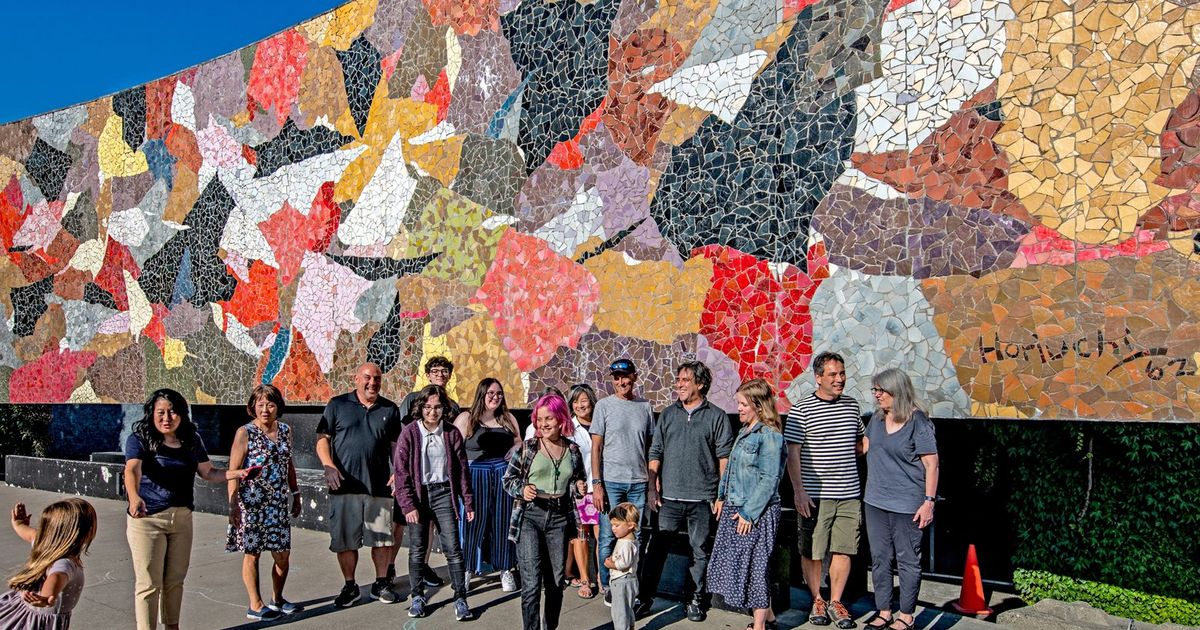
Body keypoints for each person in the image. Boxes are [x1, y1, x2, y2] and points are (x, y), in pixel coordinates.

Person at [124, 388, 251, 630]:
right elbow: (132, 470)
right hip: (147, 520)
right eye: (160, 412)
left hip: (181, 519)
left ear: (182, 414)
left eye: (172, 412)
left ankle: (173, 626)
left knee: (175, 580)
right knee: (149, 583)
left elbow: (208, 472)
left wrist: (236, 473)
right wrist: (134, 497)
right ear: (152, 414)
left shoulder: (191, 440)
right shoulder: (140, 438)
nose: (166, 418)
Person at [639, 361, 733, 621]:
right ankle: (644, 597)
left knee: (699, 551)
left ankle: (694, 599)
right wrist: (651, 487)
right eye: (677, 379)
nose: (678, 384)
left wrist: (721, 495)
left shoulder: (717, 416)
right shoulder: (668, 414)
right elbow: (655, 451)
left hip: (702, 499)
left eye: (684, 380)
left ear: (700, 384)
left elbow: (724, 458)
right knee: (656, 549)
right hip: (669, 498)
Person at [783, 351, 864, 628]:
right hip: (815, 495)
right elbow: (792, 453)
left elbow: (860, 441)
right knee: (813, 550)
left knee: (844, 549)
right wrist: (799, 491)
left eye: (841, 373)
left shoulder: (852, 406)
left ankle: (836, 601)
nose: (840, 379)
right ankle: (817, 598)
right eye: (833, 374)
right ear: (818, 378)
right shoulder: (801, 409)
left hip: (849, 493)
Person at [315, 363, 404, 608]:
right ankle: (350, 585)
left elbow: (396, 445)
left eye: (377, 378)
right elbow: (322, 439)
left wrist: (397, 470)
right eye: (367, 378)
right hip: (344, 485)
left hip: (379, 486)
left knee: (382, 540)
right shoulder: (337, 405)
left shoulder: (390, 409)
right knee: (345, 542)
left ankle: (380, 583)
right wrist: (328, 465)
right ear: (356, 379)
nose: (372, 382)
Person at [862, 369, 939, 630]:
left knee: (907, 560)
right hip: (875, 501)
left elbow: (932, 464)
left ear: (897, 391)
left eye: (881, 390)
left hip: (907, 504)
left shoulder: (918, 421)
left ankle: (906, 615)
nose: (877, 395)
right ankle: (884, 611)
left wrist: (929, 501)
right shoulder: (877, 418)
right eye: (875, 390)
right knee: (880, 558)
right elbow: (863, 447)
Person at [503, 394, 588, 630]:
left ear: (561, 419)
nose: (543, 424)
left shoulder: (572, 450)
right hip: (531, 515)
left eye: (548, 418)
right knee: (531, 584)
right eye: (539, 420)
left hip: (559, 517)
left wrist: (578, 487)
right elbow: (508, 480)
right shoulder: (528, 448)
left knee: (555, 583)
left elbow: (578, 479)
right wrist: (523, 489)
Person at [708, 379, 786, 630]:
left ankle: (760, 626)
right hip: (737, 507)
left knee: (755, 567)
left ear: (758, 405)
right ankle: (769, 617)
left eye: (743, 404)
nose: (738, 408)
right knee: (745, 565)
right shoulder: (746, 430)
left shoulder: (770, 436)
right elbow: (731, 469)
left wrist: (748, 514)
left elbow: (769, 479)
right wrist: (721, 497)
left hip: (755, 512)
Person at [394, 384, 475, 621]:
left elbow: (461, 471)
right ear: (420, 408)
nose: (433, 412)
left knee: (453, 548)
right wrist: (407, 505)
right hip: (419, 496)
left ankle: (460, 597)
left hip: (443, 494)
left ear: (444, 408)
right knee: (418, 550)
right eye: (428, 407)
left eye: (438, 407)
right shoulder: (409, 433)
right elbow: (401, 473)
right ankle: (417, 596)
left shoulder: (451, 433)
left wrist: (468, 502)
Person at [226, 384, 302, 621]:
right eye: (260, 405)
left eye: (270, 404)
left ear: (278, 406)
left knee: (282, 554)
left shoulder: (286, 430)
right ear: (253, 407)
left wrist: (296, 492)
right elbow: (234, 470)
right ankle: (255, 604)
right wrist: (233, 505)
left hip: (277, 504)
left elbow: (288, 463)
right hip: (252, 503)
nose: (265, 410)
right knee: (253, 553)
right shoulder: (245, 432)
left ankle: (277, 598)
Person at [390, 356, 460, 589]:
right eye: (436, 370)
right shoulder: (413, 399)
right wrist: (397, 473)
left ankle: (426, 567)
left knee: (429, 528)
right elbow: (401, 439)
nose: (440, 374)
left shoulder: (453, 406)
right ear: (428, 374)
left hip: (438, 481)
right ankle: (388, 568)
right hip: (412, 478)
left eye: (445, 371)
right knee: (402, 522)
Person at [591, 358, 654, 604]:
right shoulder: (604, 407)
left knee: (634, 538)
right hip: (612, 482)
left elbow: (651, 448)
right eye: (616, 378)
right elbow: (596, 448)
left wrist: (652, 481)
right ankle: (608, 585)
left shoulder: (645, 407)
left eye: (625, 376)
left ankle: (630, 584)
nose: (620, 382)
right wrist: (597, 484)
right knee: (608, 535)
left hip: (638, 481)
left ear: (634, 377)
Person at [454, 378, 521, 592]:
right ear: (481, 394)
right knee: (473, 522)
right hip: (476, 473)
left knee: (503, 520)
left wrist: (516, 447)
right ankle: (466, 568)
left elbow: (519, 439)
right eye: (491, 393)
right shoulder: (467, 418)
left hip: (503, 472)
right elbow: (453, 449)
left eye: (499, 393)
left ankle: (505, 568)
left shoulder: (507, 418)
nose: (495, 397)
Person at [1, 499, 97, 629]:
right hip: (36, 623)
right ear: (83, 532)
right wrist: (46, 597)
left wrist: (18, 524)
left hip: (19, 613)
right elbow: (56, 577)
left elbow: (30, 535)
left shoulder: (43, 544)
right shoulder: (66, 563)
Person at [605, 502, 641, 630]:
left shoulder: (625, 543)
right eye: (612, 525)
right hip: (629, 580)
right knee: (627, 608)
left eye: (617, 525)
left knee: (620, 612)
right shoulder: (631, 540)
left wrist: (610, 564)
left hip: (622, 581)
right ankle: (630, 627)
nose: (613, 528)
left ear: (630, 525)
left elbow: (623, 564)